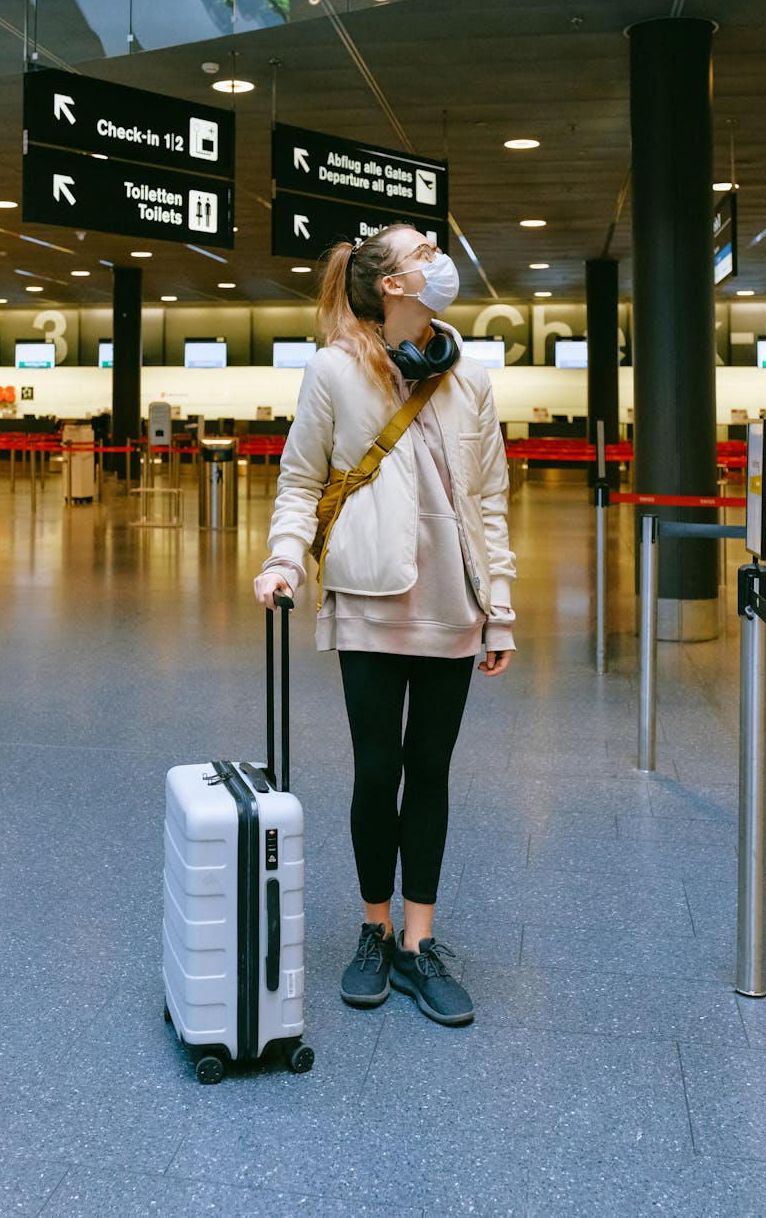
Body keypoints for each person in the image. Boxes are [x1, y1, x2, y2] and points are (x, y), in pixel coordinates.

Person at [253, 223, 516, 1027]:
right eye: (423, 253)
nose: (440, 261)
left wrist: (497, 608)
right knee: (377, 768)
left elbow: (491, 503)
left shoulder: (468, 379)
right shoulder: (334, 371)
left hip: (452, 604)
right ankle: (374, 927)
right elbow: (301, 479)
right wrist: (284, 558)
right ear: (392, 285)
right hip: (368, 599)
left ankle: (418, 941)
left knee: (428, 769)